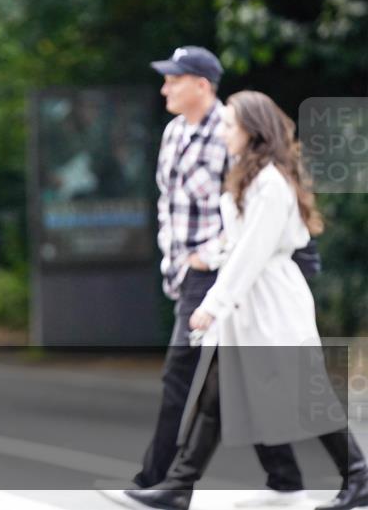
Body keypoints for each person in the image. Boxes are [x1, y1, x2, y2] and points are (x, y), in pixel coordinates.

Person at [116, 90, 368, 510]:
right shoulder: (249, 175)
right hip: (251, 307)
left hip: (273, 304)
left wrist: (212, 304)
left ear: (252, 131)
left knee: (308, 398)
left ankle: (359, 475)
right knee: (215, 398)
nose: (224, 133)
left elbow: (252, 253)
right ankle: (179, 487)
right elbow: (237, 241)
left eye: (231, 125)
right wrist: (208, 258)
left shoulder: (270, 183)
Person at [102, 47, 304, 507]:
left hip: (215, 273)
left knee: (181, 376)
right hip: (184, 273)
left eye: (175, 80)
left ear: (202, 85)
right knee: (231, 375)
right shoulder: (174, 131)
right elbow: (166, 201)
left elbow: (247, 212)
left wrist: (206, 258)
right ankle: (286, 477)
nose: (165, 88)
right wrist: (173, 262)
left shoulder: (229, 134)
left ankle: (156, 482)